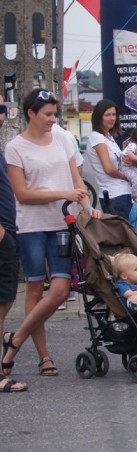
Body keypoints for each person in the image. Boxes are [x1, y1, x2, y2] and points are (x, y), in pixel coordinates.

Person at [2, 89, 102, 380]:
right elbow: (21, 194)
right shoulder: (15, 147)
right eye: (47, 114)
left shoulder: (61, 138)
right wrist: (64, 194)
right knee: (34, 289)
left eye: (55, 113)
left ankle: (15, 339)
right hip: (32, 227)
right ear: (30, 114)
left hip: (62, 224)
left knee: (60, 289)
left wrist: (86, 206)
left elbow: (76, 179)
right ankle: (44, 357)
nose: (52, 119)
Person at [0, 106, 28, 392]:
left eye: (3, 109)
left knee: (4, 303)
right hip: (2, 234)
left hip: (8, 229)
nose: (2, 114)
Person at [85, 99, 134, 219]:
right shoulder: (97, 137)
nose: (112, 118)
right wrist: (127, 176)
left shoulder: (109, 137)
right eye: (107, 115)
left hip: (122, 193)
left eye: (114, 115)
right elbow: (108, 169)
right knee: (120, 236)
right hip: (114, 195)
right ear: (99, 117)